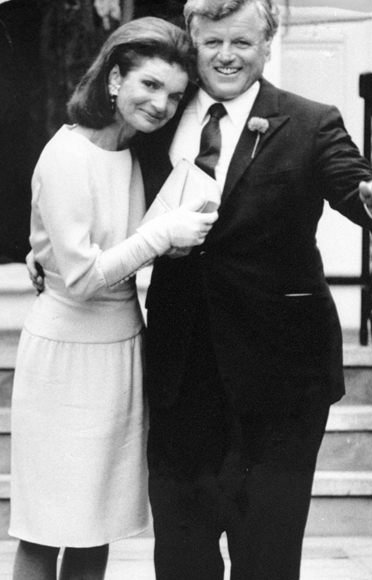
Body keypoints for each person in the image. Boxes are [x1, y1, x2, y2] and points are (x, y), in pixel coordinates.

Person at [28, 2, 372, 579]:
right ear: (192, 42)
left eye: (242, 42)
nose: (226, 56)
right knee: (182, 555)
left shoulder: (312, 121)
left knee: (267, 557)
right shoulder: (158, 114)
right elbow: (88, 183)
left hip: (281, 380)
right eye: (212, 41)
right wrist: (42, 246)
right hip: (180, 376)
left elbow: (354, 180)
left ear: (268, 45)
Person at [10, 16, 217, 580]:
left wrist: (168, 242)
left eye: (174, 96)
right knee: (47, 524)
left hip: (121, 352)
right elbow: (80, 279)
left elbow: (121, 253)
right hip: (65, 359)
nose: (160, 105)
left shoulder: (128, 154)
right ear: (113, 78)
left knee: (95, 524)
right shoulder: (66, 154)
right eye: (148, 85)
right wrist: (159, 236)